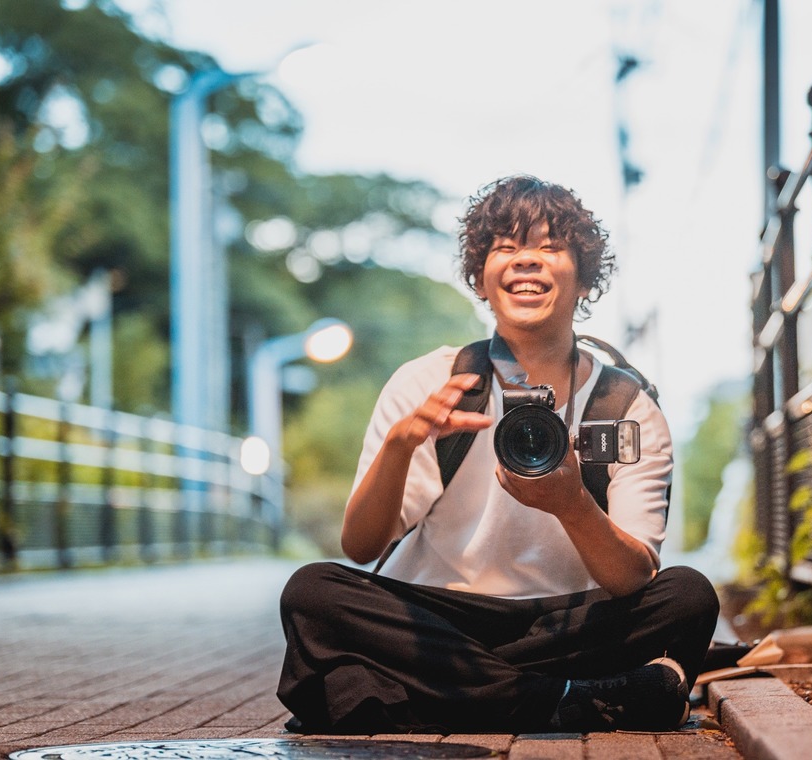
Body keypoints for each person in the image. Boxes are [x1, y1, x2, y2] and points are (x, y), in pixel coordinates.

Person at [277, 175, 720, 735]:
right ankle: (569, 699)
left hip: (567, 622)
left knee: (687, 595)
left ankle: (438, 694)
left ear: (583, 280)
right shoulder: (432, 382)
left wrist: (573, 505)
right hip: (441, 615)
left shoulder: (624, 406)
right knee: (313, 592)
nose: (526, 261)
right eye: (506, 248)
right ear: (481, 281)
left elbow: (633, 580)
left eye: (549, 247)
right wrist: (399, 445)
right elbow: (361, 547)